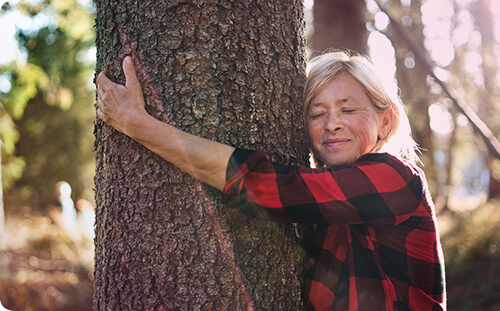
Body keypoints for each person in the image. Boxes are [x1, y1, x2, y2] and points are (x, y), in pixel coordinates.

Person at [96, 51, 446, 310]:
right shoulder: (324, 206)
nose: (332, 124)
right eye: (317, 113)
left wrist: (139, 125)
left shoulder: (395, 178)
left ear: (385, 122)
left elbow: (271, 188)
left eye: (348, 109)